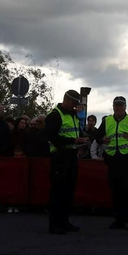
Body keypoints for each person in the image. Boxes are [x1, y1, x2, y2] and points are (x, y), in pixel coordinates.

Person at [44, 89, 86, 234]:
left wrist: (81, 140)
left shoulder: (73, 116)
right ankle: (54, 224)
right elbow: (52, 137)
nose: (75, 106)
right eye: (73, 103)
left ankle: (64, 221)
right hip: (59, 157)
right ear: (66, 100)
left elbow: (75, 133)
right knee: (58, 191)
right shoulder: (55, 115)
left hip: (71, 156)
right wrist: (73, 140)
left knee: (68, 190)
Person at [98, 96, 128, 230]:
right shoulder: (107, 120)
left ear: (125, 107)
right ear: (113, 106)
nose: (118, 107)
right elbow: (97, 135)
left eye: (121, 105)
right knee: (116, 191)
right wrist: (101, 138)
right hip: (114, 159)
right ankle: (119, 220)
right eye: (116, 105)